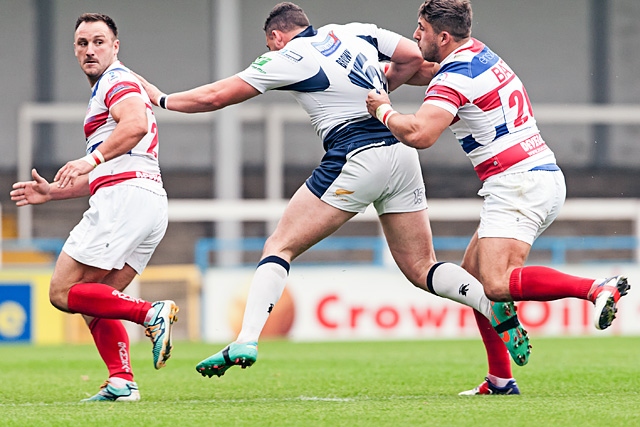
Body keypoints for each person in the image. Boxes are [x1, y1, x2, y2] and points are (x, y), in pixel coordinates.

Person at [136, 1, 530, 380]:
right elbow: (419, 61)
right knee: (421, 267)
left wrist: (162, 99)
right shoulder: (354, 32)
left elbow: (215, 96)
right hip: (399, 151)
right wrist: (382, 87)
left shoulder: (286, 57)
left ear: (276, 36)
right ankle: (485, 302)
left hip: (356, 155)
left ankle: (246, 339)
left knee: (279, 245)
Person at [366, 0, 630, 395]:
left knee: (495, 284)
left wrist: (383, 110)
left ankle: (595, 288)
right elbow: (442, 83)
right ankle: (500, 379)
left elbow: (420, 134)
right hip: (534, 176)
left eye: (420, 28)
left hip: (518, 184)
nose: (415, 34)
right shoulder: (479, 54)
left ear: (442, 36)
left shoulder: (453, 78)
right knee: (473, 276)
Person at [10, 13, 178, 402]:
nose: (90, 50)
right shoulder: (116, 84)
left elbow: (134, 124)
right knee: (95, 300)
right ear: (74, 49)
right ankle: (122, 381)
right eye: (83, 43)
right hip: (147, 198)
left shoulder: (116, 81)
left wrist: (91, 160)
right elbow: (118, 160)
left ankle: (149, 313)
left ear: (115, 47)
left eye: (99, 41)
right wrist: (53, 192)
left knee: (62, 291)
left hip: (125, 199)